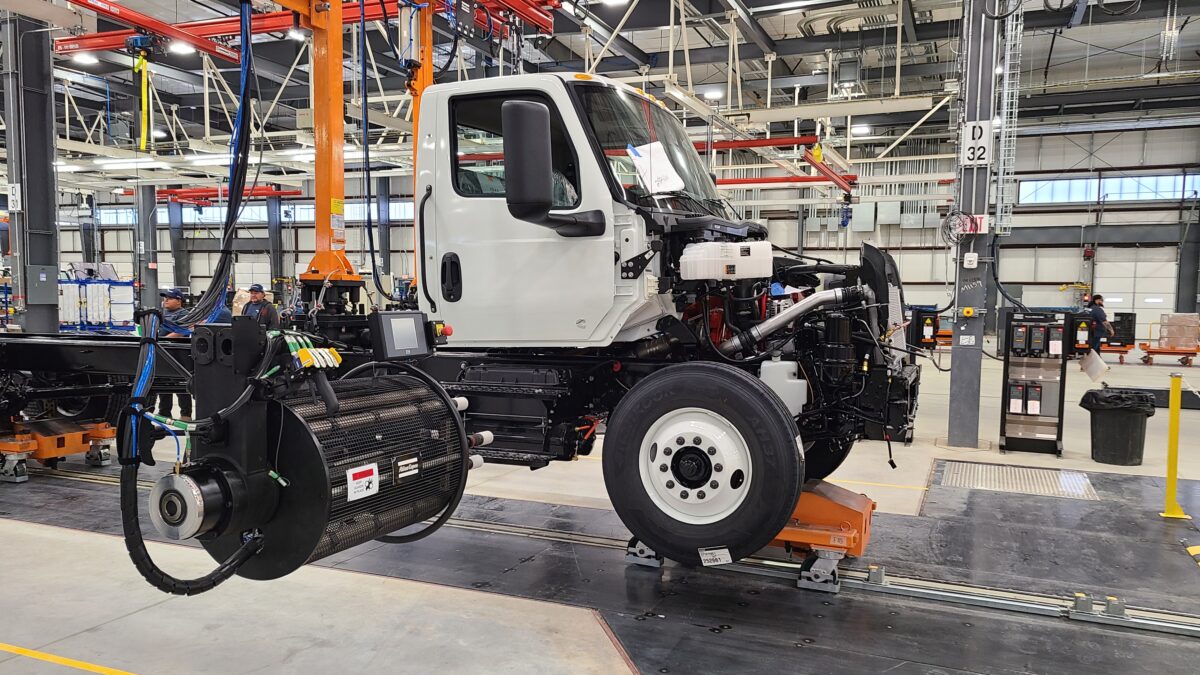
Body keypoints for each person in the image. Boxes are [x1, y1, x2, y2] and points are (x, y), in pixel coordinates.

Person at [157, 289, 193, 420]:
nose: (165, 300)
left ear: (179, 301)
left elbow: (181, 332)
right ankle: (164, 412)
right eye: (165, 298)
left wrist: (161, 341)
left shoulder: (184, 314)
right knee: (162, 382)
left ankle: (185, 414)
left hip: (177, 354)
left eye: (169, 298)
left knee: (179, 384)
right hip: (161, 350)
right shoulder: (162, 313)